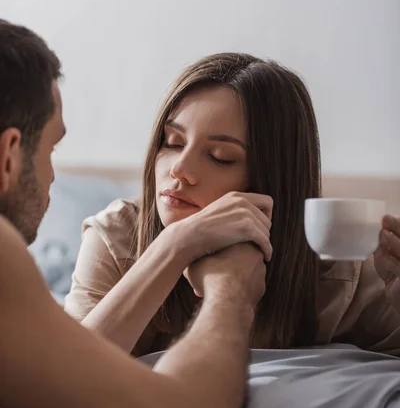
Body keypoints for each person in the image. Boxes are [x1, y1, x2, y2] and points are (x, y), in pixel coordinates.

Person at [0, 19, 272, 408]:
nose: (51, 179)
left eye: (221, 157)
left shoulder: (342, 273)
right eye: (52, 148)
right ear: (8, 155)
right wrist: (230, 287)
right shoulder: (106, 235)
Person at [65, 52, 400, 356]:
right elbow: (68, 378)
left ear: (273, 180)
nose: (179, 169)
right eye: (172, 142)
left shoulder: (339, 267)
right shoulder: (116, 234)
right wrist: (175, 246)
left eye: (219, 157)